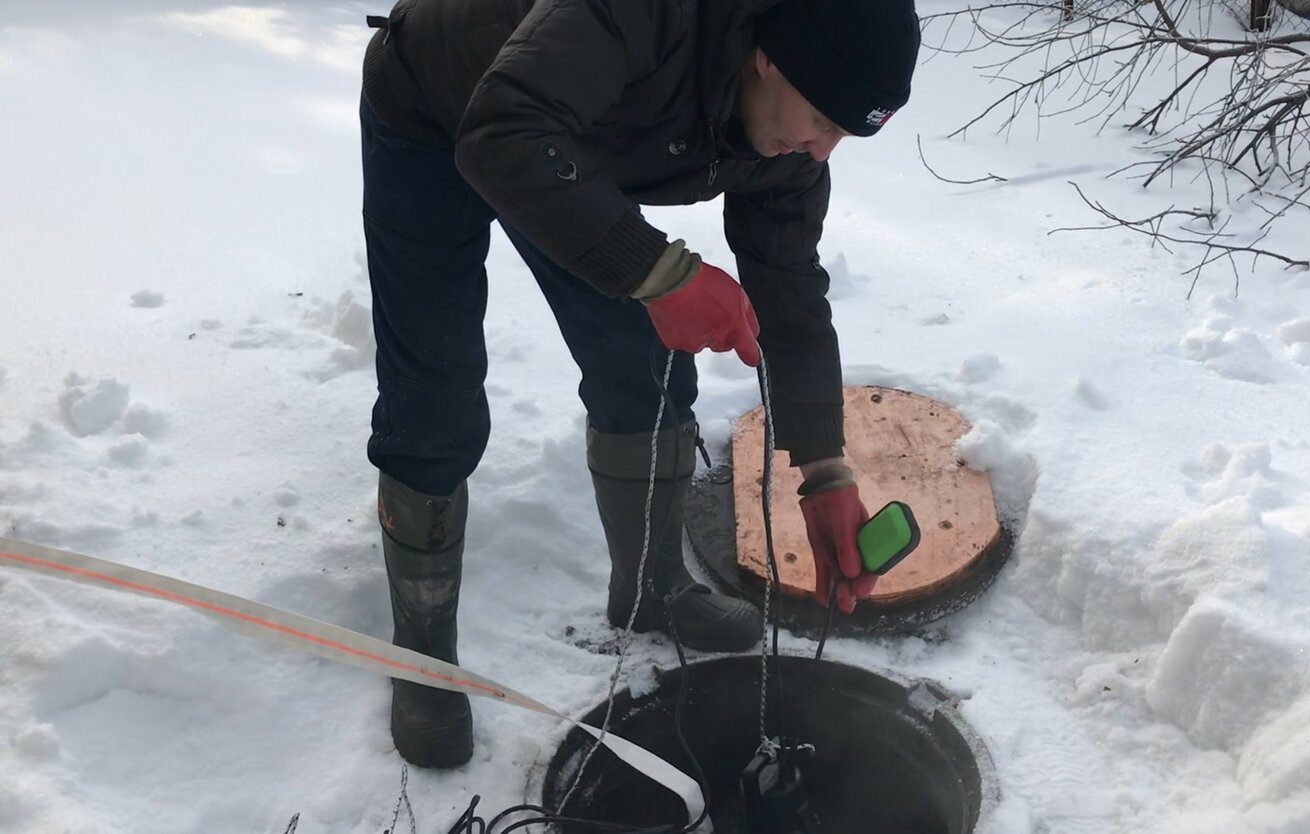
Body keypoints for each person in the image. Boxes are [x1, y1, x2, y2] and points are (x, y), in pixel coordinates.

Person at [359, 0, 920, 769]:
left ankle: (652, 585)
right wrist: (658, 273)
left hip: (570, 141)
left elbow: (786, 280)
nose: (819, 153)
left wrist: (824, 468)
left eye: (844, 137)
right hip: (440, 101)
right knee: (436, 402)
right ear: (768, 57)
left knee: (644, 359)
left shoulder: (791, 135)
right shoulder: (645, 13)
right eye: (821, 119)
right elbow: (505, 132)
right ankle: (422, 651)